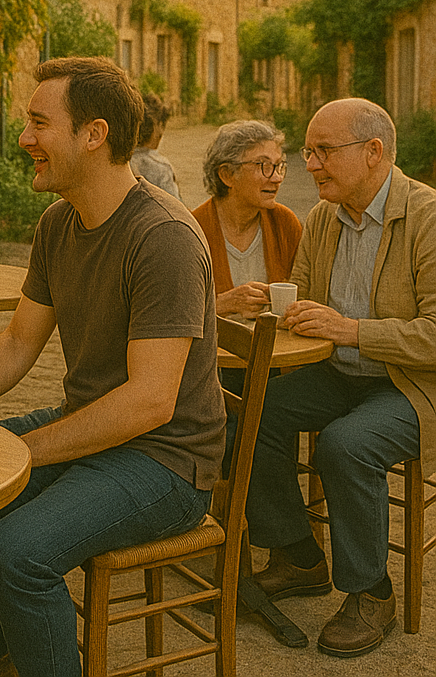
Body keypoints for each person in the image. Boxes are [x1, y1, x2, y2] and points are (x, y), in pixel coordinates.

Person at [0, 57, 226, 677]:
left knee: (15, 557)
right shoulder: (58, 223)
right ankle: (19, 655)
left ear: (93, 135)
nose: (24, 140)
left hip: (168, 460)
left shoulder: (163, 237)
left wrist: (24, 452)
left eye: (39, 123)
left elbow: (151, 401)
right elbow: (20, 342)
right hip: (91, 431)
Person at [246, 98, 436, 659]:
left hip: (413, 383)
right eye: (308, 152)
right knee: (256, 409)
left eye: (323, 151)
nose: (310, 165)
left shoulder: (427, 217)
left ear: (373, 152)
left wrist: (351, 330)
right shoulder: (325, 215)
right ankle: (299, 555)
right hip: (340, 372)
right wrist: (281, 306)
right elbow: (305, 289)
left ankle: (371, 593)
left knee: (347, 445)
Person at [193, 120, 302, 322]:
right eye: (264, 166)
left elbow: (305, 296)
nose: (277, 178)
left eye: (279, 166)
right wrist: (221, 305)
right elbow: (172, 316)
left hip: (278, 349)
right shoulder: (193, 231)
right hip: (217, 353)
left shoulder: (285, 223)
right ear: (227, 175)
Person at [129, 91, 180, 197]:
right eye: (161, 125)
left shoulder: (118, 160)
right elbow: (175, 208)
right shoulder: (161, 168)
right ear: (155, 127)